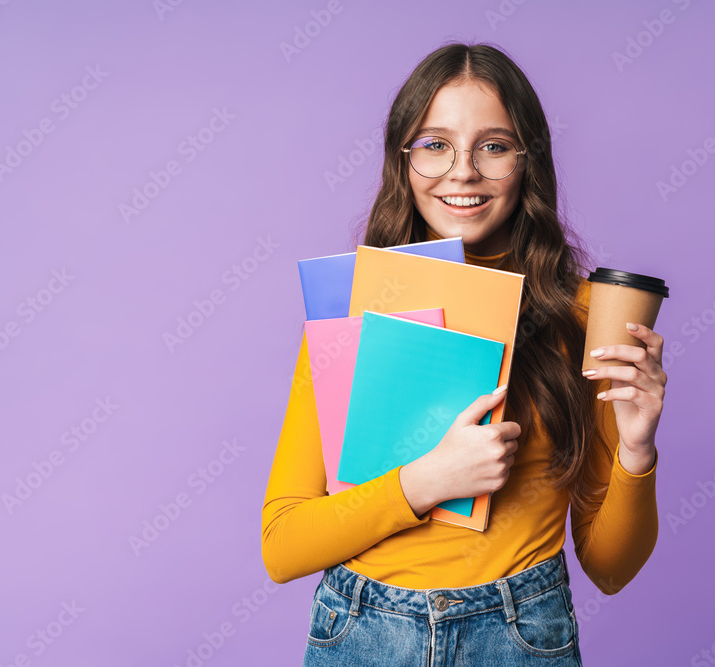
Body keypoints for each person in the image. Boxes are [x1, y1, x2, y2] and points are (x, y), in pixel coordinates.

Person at [262, 41, 667, 666]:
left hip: (521, 633)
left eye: (494, 146)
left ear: (528, 161)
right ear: (404, 162)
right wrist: (428, 482)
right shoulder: (357, 304)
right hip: (363, 633)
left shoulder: (588, 315)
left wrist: (637, 450)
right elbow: (282, 545)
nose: (463, 171)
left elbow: (610, 568)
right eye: (435, 145)